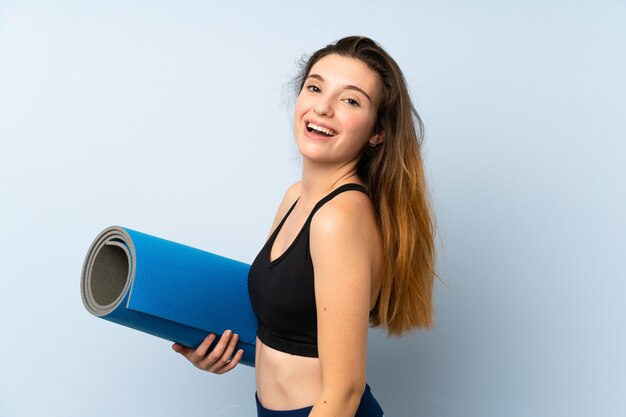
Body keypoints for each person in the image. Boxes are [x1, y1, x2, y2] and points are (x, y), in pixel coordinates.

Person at [172, 35, 436, 417]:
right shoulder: (295, 197)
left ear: (378, 132)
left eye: (350, 100)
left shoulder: (338, 218)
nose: (323, 108)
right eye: (314, 87)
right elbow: (283, 325)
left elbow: (344, 392)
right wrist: (212, 347)